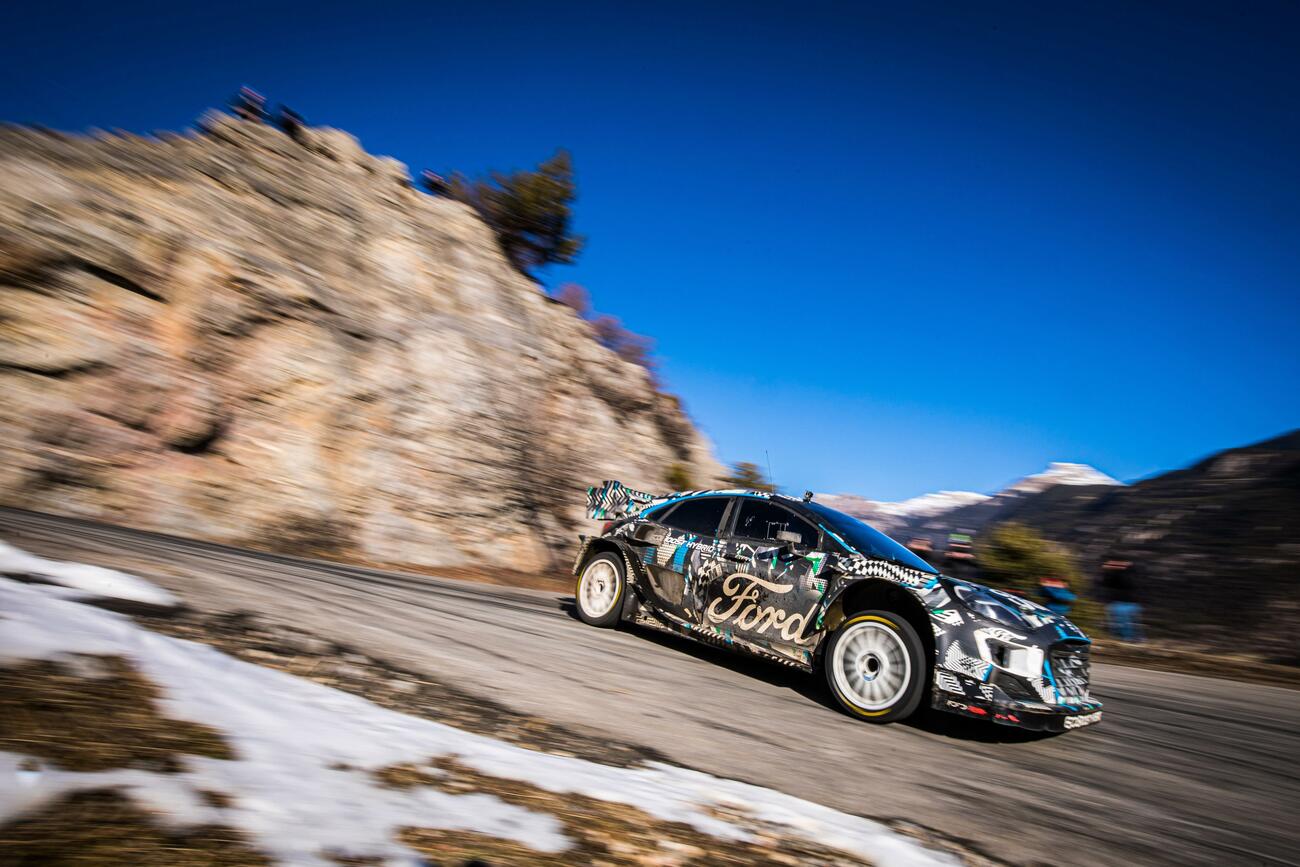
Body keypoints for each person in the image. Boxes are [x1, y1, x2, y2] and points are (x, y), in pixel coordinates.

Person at [1100, 560, 1144, 642]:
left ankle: (1130, 639)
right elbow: (1105, 583)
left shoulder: (1130, 573)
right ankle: (1125, 639)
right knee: (1120, 623)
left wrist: (1115, 568)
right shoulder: (1114, 575)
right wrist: (1107, 571)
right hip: (1120, 602)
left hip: (1127, 602)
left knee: (1128, 623)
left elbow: (1130, 580)